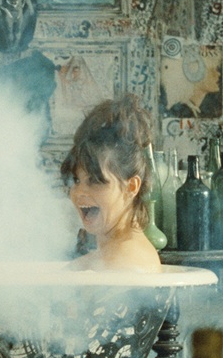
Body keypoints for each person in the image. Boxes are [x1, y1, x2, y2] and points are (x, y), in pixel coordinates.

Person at [60, 94, 162, 273]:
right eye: (76, 180)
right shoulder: (108, 257)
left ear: (131, 187)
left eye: (95, 181)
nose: (79, 192)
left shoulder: (127, 262)